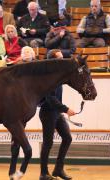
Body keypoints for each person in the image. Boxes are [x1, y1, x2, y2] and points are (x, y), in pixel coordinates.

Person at [39, 49, 76, 180]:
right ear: (53, 61)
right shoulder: (48, 77)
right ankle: (43, 173)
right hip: (48, 112)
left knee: (67, 138)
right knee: (47, 143)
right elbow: (50, 99)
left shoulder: (58, 75)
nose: (63, 60)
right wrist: (66, 109)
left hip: (56, 113)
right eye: (60, 58)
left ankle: (58, 169)